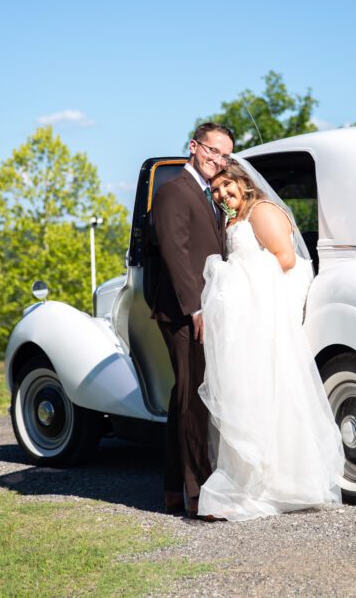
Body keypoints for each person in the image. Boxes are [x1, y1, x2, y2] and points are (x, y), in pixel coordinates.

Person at [197, 159, 345, 521]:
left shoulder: (262, 211)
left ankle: (282, 482)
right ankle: (249, 481)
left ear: (243, 182)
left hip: (265, 313)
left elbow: (285, 259)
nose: (222, 193)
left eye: (227, 185)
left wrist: (228, 276)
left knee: (271, 388)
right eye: (215, 189)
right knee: (245, 392)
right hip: (247, 314)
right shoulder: (234, 218)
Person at [151, 122, 234, 517]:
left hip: (205, 308)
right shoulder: (172, 191)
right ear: (194, 146)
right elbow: (175, 252)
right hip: (184, 312)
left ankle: (172, 489)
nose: (217, 161)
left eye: (225, 156)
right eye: (212, 151)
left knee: (183, 397)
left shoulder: (212, 195)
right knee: (194, 401)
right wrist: (195, 308)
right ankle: (199, 494)